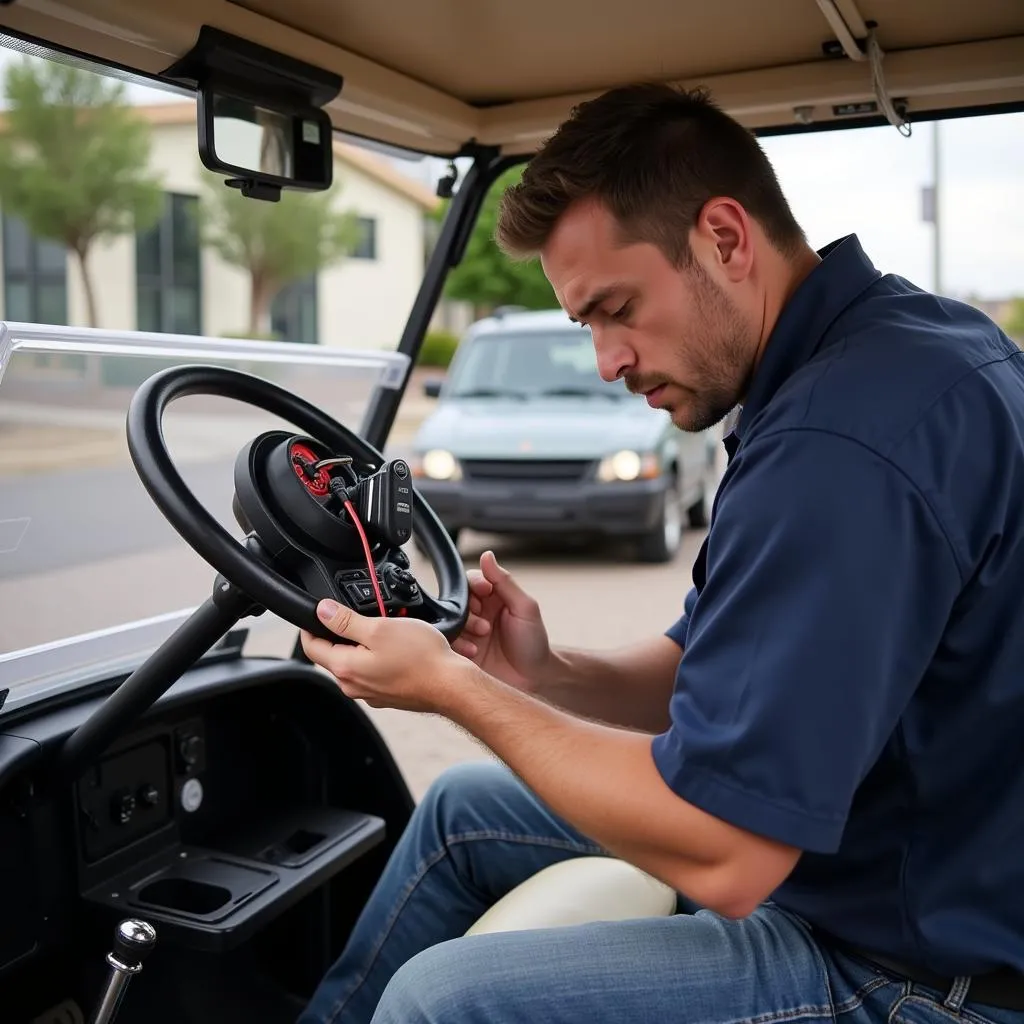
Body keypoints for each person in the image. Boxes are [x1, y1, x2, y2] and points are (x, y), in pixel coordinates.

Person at [296, 82, 1024, 1024]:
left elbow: (728, 853)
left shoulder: (839, 449)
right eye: (585, 324)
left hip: (913, 973)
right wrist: (544, 671)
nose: (606, 360)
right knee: (461, 811)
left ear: (725, 238)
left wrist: (453, 690)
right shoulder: (898, 348)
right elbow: (714, 670)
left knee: (441, 1003)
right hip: (894, 861)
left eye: (618, 308)